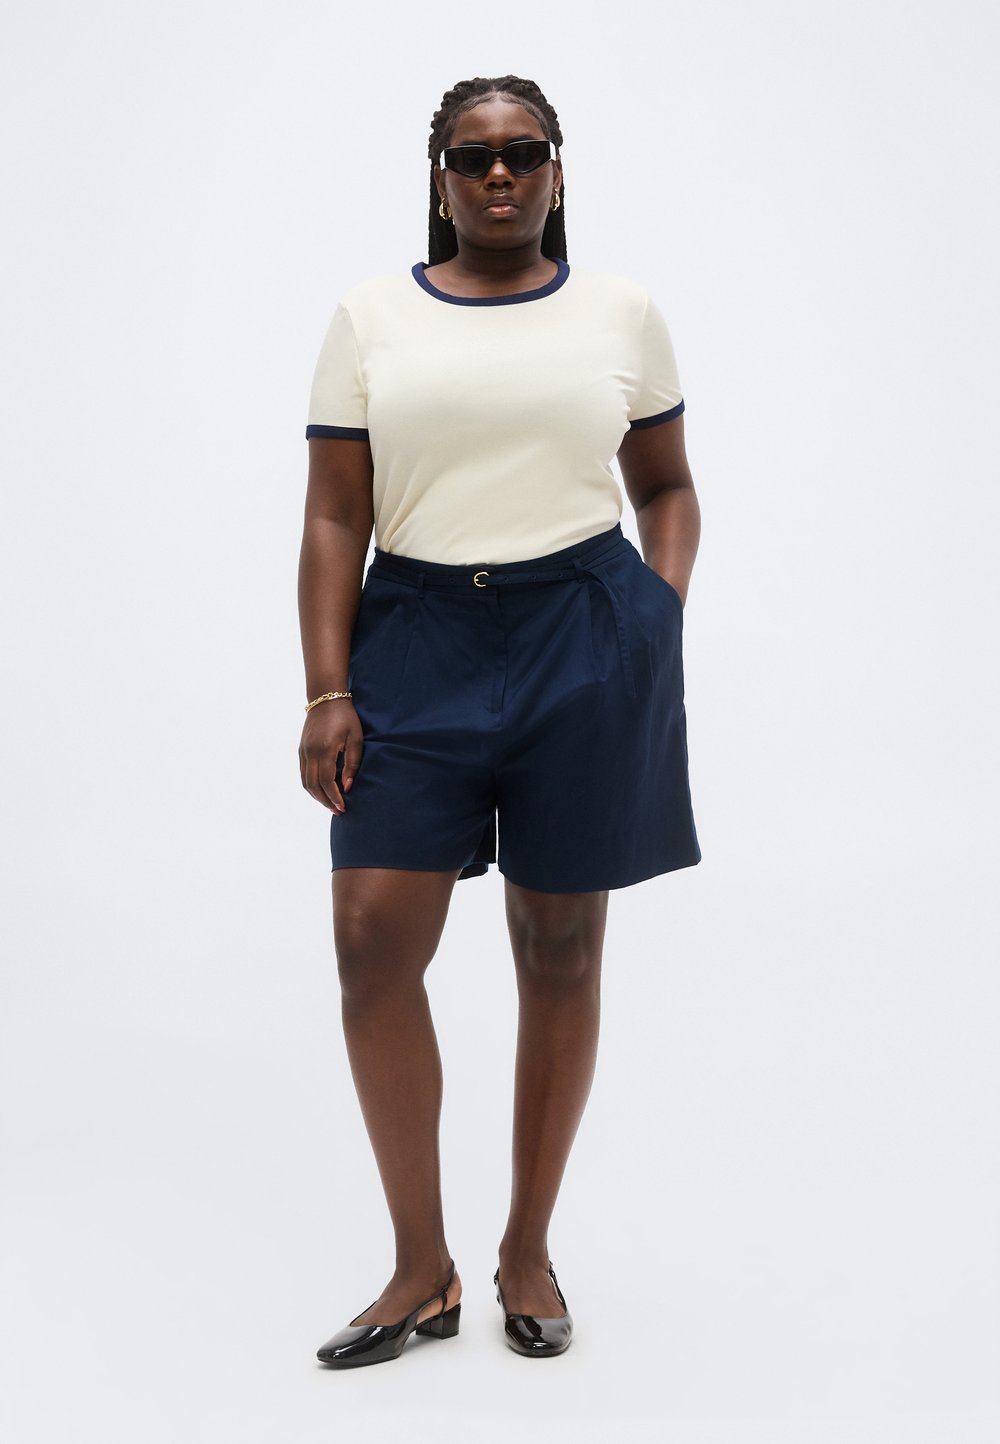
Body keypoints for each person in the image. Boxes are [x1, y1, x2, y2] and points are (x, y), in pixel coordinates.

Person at [298, 74, 702, 1368]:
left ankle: (527, 1247)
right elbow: (334, 515)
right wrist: (327, 687)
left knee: (560, 948)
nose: (499, 175)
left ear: (557, 173)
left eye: (525, 152)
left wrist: (653, 618)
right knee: (372, 940)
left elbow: (669, 488)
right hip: (413, 639)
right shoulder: (370, 318)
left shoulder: (620, 312)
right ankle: (421, 1268)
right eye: (473, 157)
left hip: (582, 633)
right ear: (439, 178)